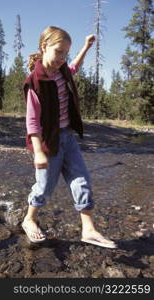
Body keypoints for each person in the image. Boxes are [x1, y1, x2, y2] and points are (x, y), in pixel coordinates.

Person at [22, 26, 117, 248]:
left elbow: (75, 66)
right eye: (58, 51)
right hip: (47, 142)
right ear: (44, 47)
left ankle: (89, 229)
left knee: (82, 180)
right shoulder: (34, 81)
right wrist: (38, 151)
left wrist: (86, 47)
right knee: (44, 187)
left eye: (66, 53)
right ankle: (29, 219)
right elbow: (32, 122)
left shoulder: (63, 69)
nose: (62, 58)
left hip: (68, 137)